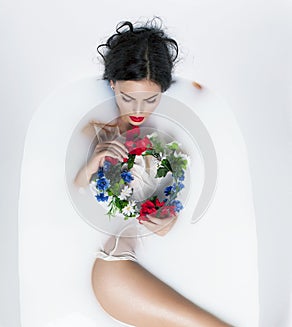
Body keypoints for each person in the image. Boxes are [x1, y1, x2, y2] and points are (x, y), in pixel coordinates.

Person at [74, 17, 233, 327]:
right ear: (112, 85)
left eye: (150, 99)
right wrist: (90, 165)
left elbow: (164, 222)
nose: (137, 110)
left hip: (150, 262)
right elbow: (75, 190)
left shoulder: (166, 139)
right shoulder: (95, 131)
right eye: (127, 97)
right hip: (114, 267)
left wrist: (167, 219)